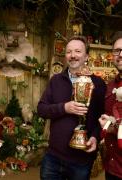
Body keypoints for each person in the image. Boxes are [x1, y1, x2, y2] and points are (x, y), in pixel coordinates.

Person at [37, 35, 106, 180]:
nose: (72, 55)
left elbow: (103, 118)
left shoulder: (98, 84)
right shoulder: (56, 80)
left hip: (81, 161)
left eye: (77, 51)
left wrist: (94, 137)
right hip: (53, 158)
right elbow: (41, 109)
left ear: (86, 56)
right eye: (69, 52)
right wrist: (64, 108)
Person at [98, 31, 122, 180]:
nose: (120, 54)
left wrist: (115, 127)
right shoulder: (110, 86)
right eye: (116, 51)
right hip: (112, 167)